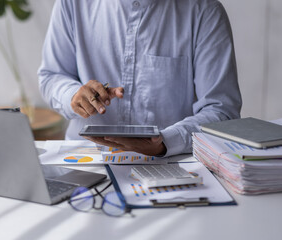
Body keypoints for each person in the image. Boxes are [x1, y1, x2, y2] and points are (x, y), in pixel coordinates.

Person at [38, 0, 242, 157]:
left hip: (170, 164)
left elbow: (221, 111)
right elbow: (52, 75)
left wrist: (165, 142)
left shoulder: (204, 11)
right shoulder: (72, 4)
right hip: (85, 159)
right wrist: (73, 95)